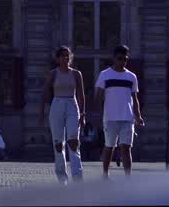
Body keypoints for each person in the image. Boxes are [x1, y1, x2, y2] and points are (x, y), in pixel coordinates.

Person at [93, 45, 143, 178]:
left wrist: (138, 115)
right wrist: (98, 113)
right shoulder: (105, 74)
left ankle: (128, 177)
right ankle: (105, 174)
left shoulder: (131, 77)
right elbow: (98, 96)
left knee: (126, 148)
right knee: (109, 147)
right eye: (120, 59)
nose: (122, 62)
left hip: (127, 117)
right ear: (114, 58)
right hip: (110, 118)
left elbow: (135, 98)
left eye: (125, 59)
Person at [39, 45, 86, 185]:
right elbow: (45, 93)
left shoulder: (77, 74)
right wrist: (42, 113)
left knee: (73, 142)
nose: (65, 58)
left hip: (72, 104)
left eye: (67, 55)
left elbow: (81, 95)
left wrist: (83, 114)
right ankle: (62, 178)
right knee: (58, 143)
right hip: (57, 104)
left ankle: (77, 177)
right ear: (58, 58)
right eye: (62, 56)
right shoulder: (53, 74)